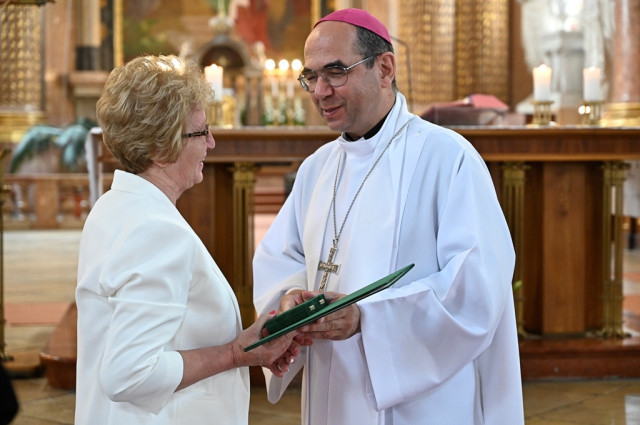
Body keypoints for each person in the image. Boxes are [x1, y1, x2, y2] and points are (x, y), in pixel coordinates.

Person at [253, 8, 524, 425]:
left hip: (425, 403)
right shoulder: (317, 168)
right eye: (311, 76)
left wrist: (368, 318)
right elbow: (282, 259)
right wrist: (290, 301)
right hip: (333, 387)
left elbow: (476, 284)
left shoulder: (447, 157)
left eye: (336, 72)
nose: (320, 91)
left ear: (384, 68)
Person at [75, 54, 297, 425]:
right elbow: (129, 374)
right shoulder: (155, 230)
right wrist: (235, 354)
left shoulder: (113, 206)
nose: (211, 142)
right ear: (162, 149)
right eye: (201, 132)